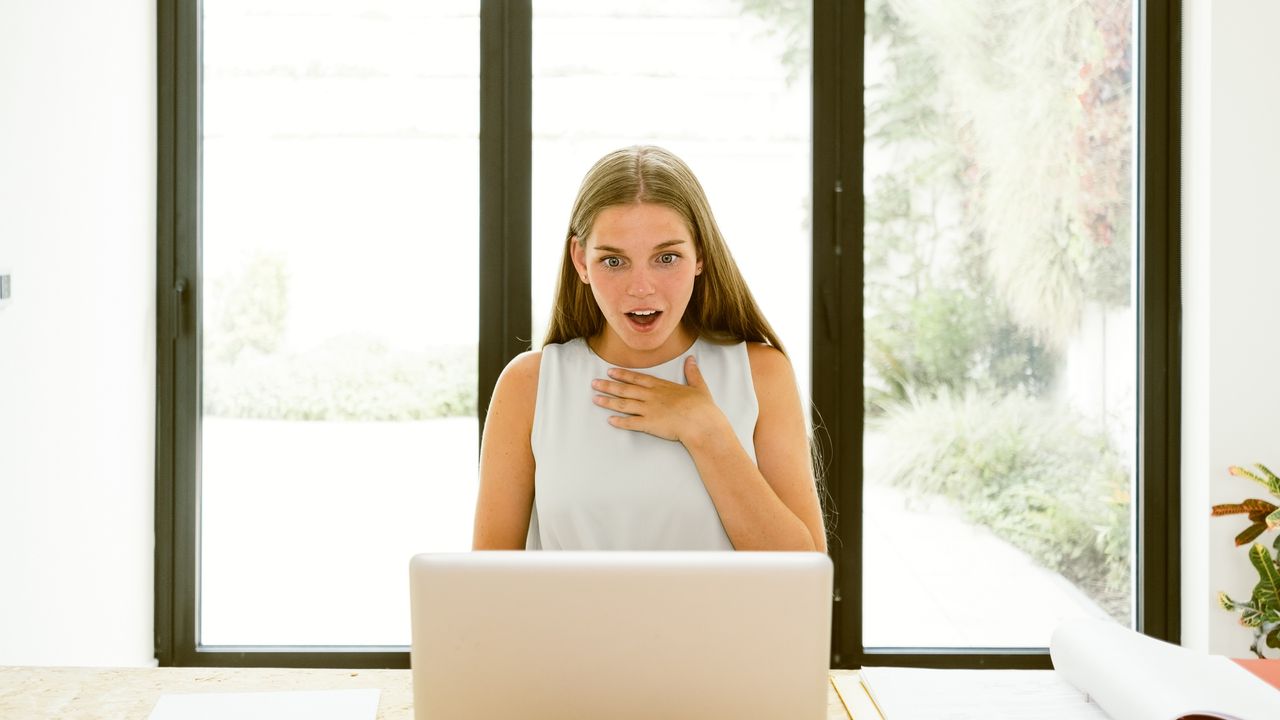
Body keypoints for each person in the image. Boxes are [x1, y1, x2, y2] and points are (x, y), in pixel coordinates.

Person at [472, 145, 827, 552]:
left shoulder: (760, 373)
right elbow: (490, 584)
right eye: (613, 262)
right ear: (581, 261)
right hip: (568, 620)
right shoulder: (529, 386)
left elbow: (804, 575)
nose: (641, 288)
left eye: (667, 257)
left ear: (700, 256)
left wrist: (706, 431)